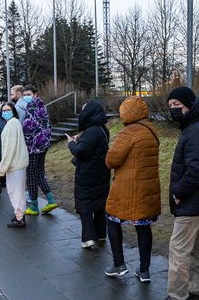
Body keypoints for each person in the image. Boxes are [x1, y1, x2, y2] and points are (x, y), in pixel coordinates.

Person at [152, 86, 199, 300]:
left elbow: (196, 171)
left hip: (190, 201)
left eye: (177, 105)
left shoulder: (194, 131)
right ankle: (198, 291)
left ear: (189, 104)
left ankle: (177, 299)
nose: (173, 110)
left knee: (178, 250)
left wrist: (178, 192)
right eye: (170, 107)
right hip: (197, 201)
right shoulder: (194, 128)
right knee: (196, 248)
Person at [102, 97, 160, 281]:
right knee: (143, 226)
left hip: (127, 187)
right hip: (147, 187)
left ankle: (118, 264)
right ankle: (144, 270)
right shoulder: (151, 130)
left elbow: (111, 161)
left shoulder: (128, 132)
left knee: (112, 220)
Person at [68, 100, 111, 250]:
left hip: (88, 173)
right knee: (99, 204)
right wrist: (81, 140)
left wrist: (71, 144)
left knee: (84, 205)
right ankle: (100, 234)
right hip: (101, 172)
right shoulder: (102, 129)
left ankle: (88, 238)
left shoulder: (92, 130)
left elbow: (81, 151)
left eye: (84, 109)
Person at [22, 85, 57, 215]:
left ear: (35, 94)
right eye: (24, 94)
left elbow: (28, 127)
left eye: (28, 94)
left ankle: (34, 206)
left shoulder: (31, 106)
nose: (26, 96)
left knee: (31, 175)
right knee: (40, 173)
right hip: (43, 144)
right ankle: (51, 200)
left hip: (33, 146)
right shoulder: (42, 105)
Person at [0, 103, 29, 228]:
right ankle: (19, 214)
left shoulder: (11, 124)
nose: (5, 112)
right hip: (17, 163)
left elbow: (9, 148)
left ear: (13, 111)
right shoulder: (14, 122)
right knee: (18, 191)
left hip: (14, 164)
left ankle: (19, 217)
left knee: (15, 191)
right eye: (3, 110)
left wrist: (3, 167)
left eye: (8, 110)